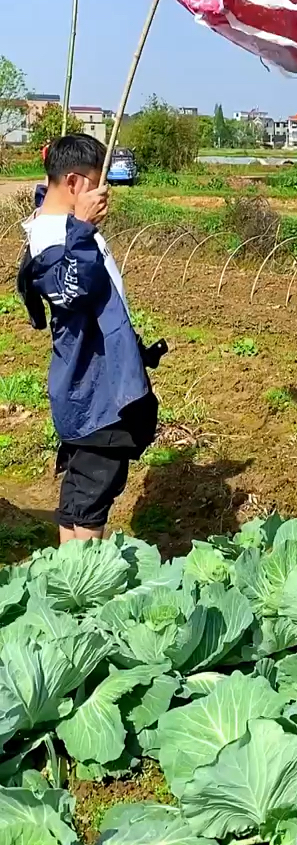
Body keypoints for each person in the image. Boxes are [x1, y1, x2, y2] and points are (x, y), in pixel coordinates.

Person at [17, 134, 166, 544]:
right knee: (89, 496)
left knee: (88, 489)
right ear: (74, 183)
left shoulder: (61, 227)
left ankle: (75, 579)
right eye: (98, 183)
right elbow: (73, 287)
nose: (105, 194)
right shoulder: (55, 238)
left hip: (98, 383)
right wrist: (81, 227)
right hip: (94, 391)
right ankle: (80, 592)